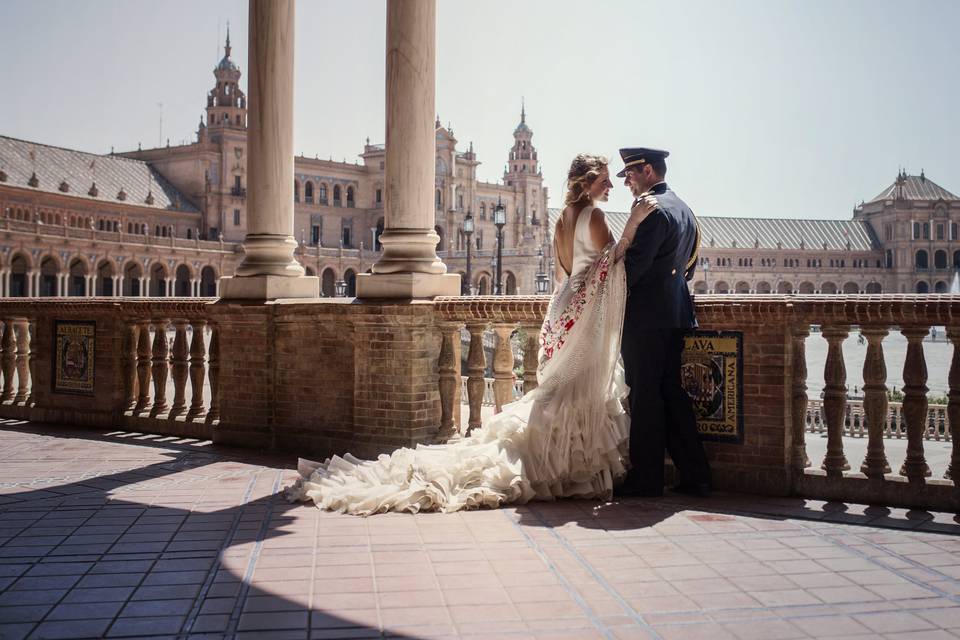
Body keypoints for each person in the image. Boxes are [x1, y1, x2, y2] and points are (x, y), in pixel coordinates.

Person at [286, 154, 657, 515]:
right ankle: (571, 467)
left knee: (560, 390)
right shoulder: (593, 214)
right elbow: (610, 264)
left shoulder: (562, 218)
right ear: (587, 181)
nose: (611, 184)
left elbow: (564, 275)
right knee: (577, 390)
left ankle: (564, 462)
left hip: (564, 308)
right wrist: (633, 225)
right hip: (584, 314)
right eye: (605, 178)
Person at [615, 147, 712, 498]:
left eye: (630, 173)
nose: (626, 180)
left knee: (645, 396)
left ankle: (647, 478)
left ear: (649, 171)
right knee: (671, 392)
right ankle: (696, 474)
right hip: (675, 313)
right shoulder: (684, 208)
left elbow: (632, 269)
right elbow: (688, 266)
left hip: (646, 317)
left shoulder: (652, 211)